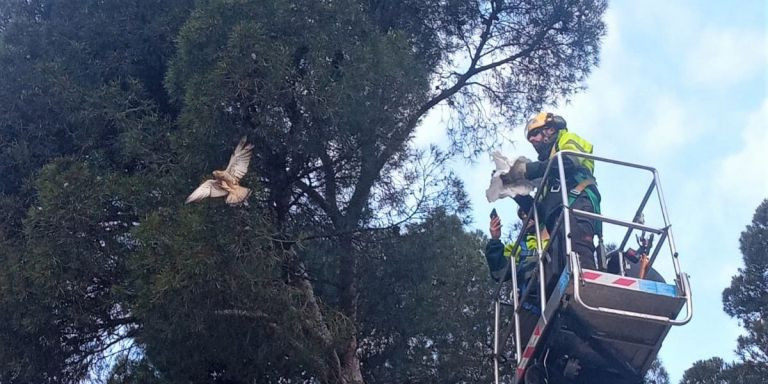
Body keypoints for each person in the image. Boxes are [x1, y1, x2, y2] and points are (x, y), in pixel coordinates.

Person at [503, 112, 601, 276]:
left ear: (549, 129)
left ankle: (588, 289)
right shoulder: (547, 177)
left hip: (578, 202)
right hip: (556, 218)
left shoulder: (568, 139)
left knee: (579, 254)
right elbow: (539, 212)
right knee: (559, 265)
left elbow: (568, 162)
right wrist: (513, 190)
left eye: (535, 134)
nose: (532, 140)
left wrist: (525, 170)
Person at [484, 195, 547, 293]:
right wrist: (495, 239)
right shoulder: (518, 247)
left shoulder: (560, 230)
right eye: (522, 216)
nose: (525, 217)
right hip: (534, 296)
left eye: (527, 212)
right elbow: (499, 273)